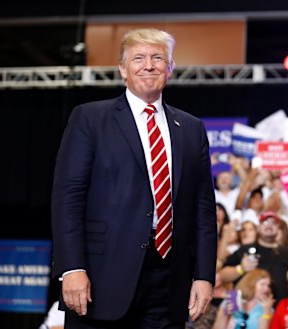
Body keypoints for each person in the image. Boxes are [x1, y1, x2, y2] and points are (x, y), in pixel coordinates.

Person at [51, 28, 217, 328]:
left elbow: (203, 211)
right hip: (101, 276)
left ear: (170, 68)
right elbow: (68, 198)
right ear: (122, 69)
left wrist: (204, 276)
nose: (149, 65)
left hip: (169, 280)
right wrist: (71, 267)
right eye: (138, 58)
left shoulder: (192, 129)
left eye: (157, 57)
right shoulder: (90, 118)